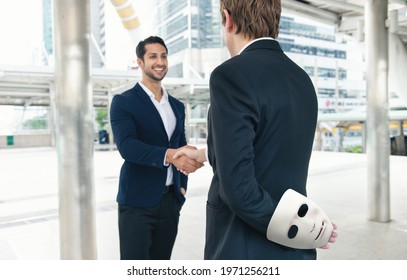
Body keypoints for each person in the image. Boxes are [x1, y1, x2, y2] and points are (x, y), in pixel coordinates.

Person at [174, 0, 337, 259]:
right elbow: (270, 141)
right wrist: (208, 153)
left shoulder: (230, 75)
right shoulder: (301, 79)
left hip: (244, 246)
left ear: (228, 19)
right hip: (296, 253)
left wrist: (295, 227)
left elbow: (238, 189)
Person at [109, 36, 203, 260]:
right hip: (137, 202)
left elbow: (180, 144)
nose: (159, 61)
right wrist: (169, 156)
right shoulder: (124, 102)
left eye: (163, 56)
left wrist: (183, 185)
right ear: (140, 62)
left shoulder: (177, 106)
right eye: (152, 56)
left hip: (171, 200)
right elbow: (127, 147)